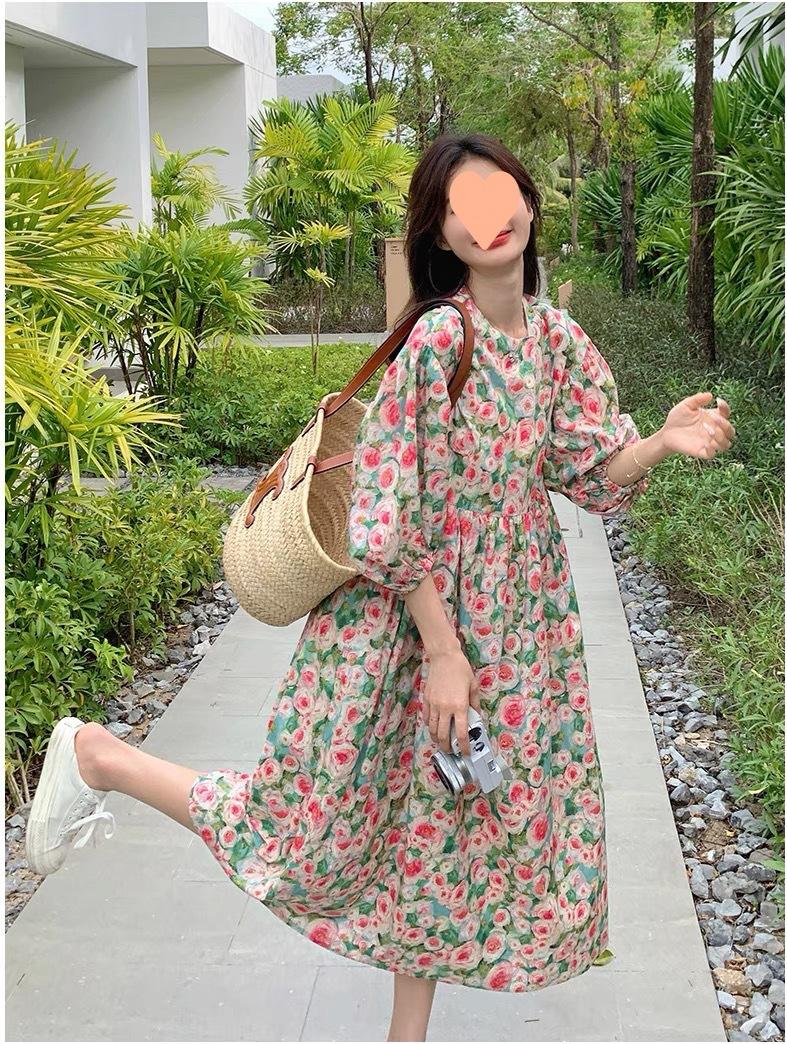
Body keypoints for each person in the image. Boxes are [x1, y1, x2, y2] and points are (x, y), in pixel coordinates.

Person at [25, 132, 735, 1042]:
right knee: (305, 828)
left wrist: (660, 442)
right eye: (463, 206)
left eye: (500, 193)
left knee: (440, 830)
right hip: (411, 627)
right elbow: (387, 513)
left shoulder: (556, 339)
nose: (490, 217)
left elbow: (588, 472)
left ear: (527, 201)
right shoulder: (439, 339)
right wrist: (443, 653)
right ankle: (102, 758)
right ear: (441, 234)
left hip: (519, 626)